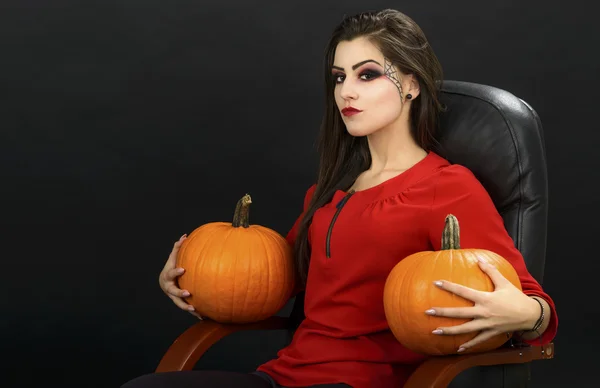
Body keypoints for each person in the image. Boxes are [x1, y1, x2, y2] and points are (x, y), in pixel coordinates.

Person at [122, 8, 557, 388]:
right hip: (282, 377)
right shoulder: (329, 192)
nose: (346, 91)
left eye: (367, 74)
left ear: (410, 85)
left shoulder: (448, 188)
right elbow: (266, 286)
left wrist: (530, 315)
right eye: (339, 77)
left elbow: (532, 302)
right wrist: (192, 281)